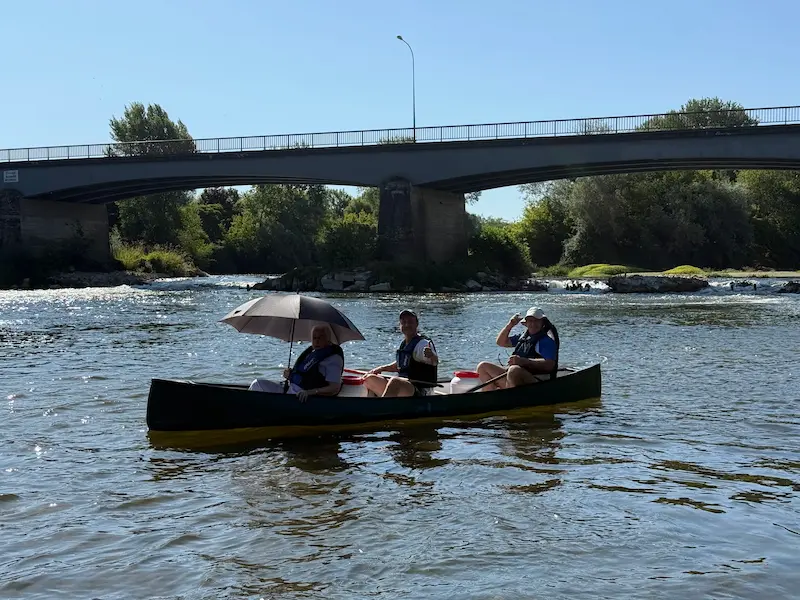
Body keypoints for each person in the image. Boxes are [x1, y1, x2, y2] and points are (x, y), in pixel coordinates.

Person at [248, 324, 344, 402]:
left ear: (328, 339)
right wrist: (290, 375)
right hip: (290, 389)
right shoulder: (313, 352)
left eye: (321, 337)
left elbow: (334, 388)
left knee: (257, 387)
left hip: (301, 397)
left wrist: (311, 392)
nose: (317, 341)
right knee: (257, 383)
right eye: (314, 338)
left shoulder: (333, 359)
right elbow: (305, 374)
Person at [475, 307, 559, 391]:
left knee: (513, 370)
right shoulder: (523, 337)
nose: (533, 324)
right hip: (514, 380)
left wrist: (522, 361)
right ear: (526, 323)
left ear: (542, 323)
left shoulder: (546, 341)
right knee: (482, 366)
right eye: (530, 320)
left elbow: (550, 365)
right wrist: (510, 325)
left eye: (536, 321)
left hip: (536, 382)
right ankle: (490, 397)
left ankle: (510, 398)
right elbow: (501, 342)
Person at [363, 309, 439, 397]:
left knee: (395, 381)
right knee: (369, 378)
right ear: (400, 325)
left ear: (416, 324)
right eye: (404, 322)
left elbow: (434, 362)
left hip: (420, 390)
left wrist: (432, 356)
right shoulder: (404, 344)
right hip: (405, 387)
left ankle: (382, 408)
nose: (407, 325)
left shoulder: (423, 344)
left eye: (410, 322)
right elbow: (401, 365)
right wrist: (380, 369)